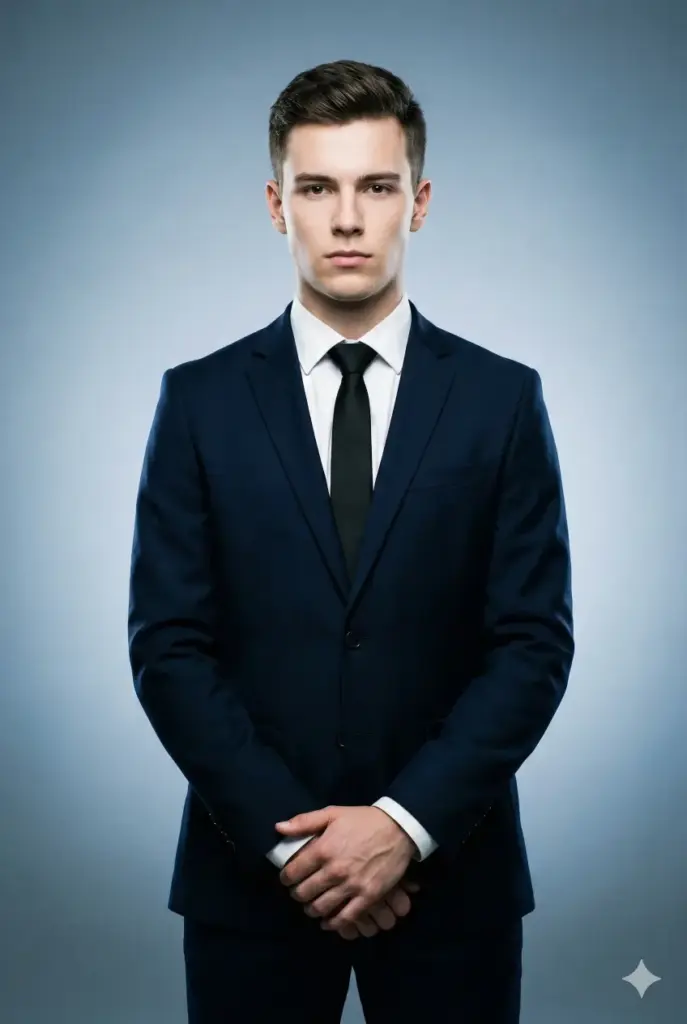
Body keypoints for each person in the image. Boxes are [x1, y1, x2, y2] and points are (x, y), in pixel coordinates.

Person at [127, 58, 574, 1024]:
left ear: (418, 202)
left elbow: (532, 645)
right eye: (315, 188)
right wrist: (300, 849)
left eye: (374, 187)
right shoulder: (198, 401)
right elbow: (168, 648)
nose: (345, 219)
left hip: (452, 883)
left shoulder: (501, 400)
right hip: (251, 884)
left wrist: (402, 828)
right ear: (275, 204)